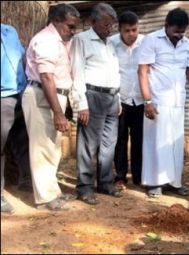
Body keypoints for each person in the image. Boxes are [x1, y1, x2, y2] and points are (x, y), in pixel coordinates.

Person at [21, 4, 80, 211]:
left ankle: (52, 193)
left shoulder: (61, 41)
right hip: (43, 96)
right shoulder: (45, 41)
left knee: (52, 148)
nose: (73, 31)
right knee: (42, 149)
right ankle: (45, 199)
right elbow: (46, 77)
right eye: (70, 26)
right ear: (56, 21)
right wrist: (57, 113)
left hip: (54, 98)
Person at [138, 8, 189, 198]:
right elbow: (142, 72)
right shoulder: (151, 40)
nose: (178, 36)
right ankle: (155, 183)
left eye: (182, 32)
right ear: (166, 26)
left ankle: (174, 182)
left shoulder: (187, 43)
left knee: (174, 143)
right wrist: (147, 100)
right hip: (157, 102)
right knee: (156, 143)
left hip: (177, 103)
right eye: (175, 32)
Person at [71, 3, 122, 205]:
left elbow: (116, 72)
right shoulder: (81, 40)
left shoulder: (110, 43)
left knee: (109, 144)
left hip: (111, 98)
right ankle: (84, 187)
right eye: (105, 24)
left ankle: (105, 182)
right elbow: (77, 72)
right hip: (92, 96)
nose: (109, 28)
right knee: (88, 145)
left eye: (111, 25)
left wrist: (117, 98)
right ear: (93, 22)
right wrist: (81, 103)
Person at [110, 11, 144, 190]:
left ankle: (139, 176)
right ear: (119, 30)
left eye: (134, 29)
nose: (132, 34)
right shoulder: (111, 44)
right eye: (127, 31)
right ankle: (120, 176)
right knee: (120, 139)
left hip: (140, 100)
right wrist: (114, 98)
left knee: (140, 139)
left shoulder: (146, 43)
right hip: (120, 99)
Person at [1, 23, 29, 213]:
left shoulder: (10, 30)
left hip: (21, 93)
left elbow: (22, 55)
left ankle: (26, 182)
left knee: (23, 142)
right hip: (2, 97)